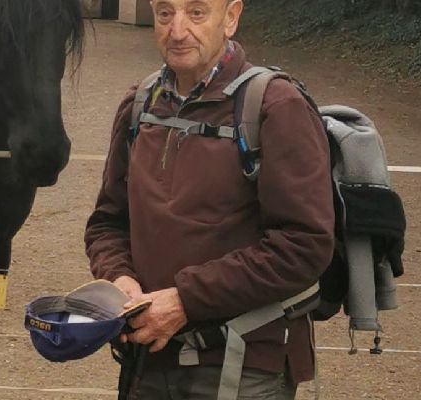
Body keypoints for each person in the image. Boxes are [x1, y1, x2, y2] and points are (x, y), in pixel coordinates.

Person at [84, 0, 336, 399]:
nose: (177, 30)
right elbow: (108, 222)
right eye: (165, 13)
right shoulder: (139, 106)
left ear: (231, 17)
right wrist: (120, 279)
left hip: (243, 366)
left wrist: (186, 300)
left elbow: (304, 245)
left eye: (196, 12)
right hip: (146, 359)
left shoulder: (276, 107)